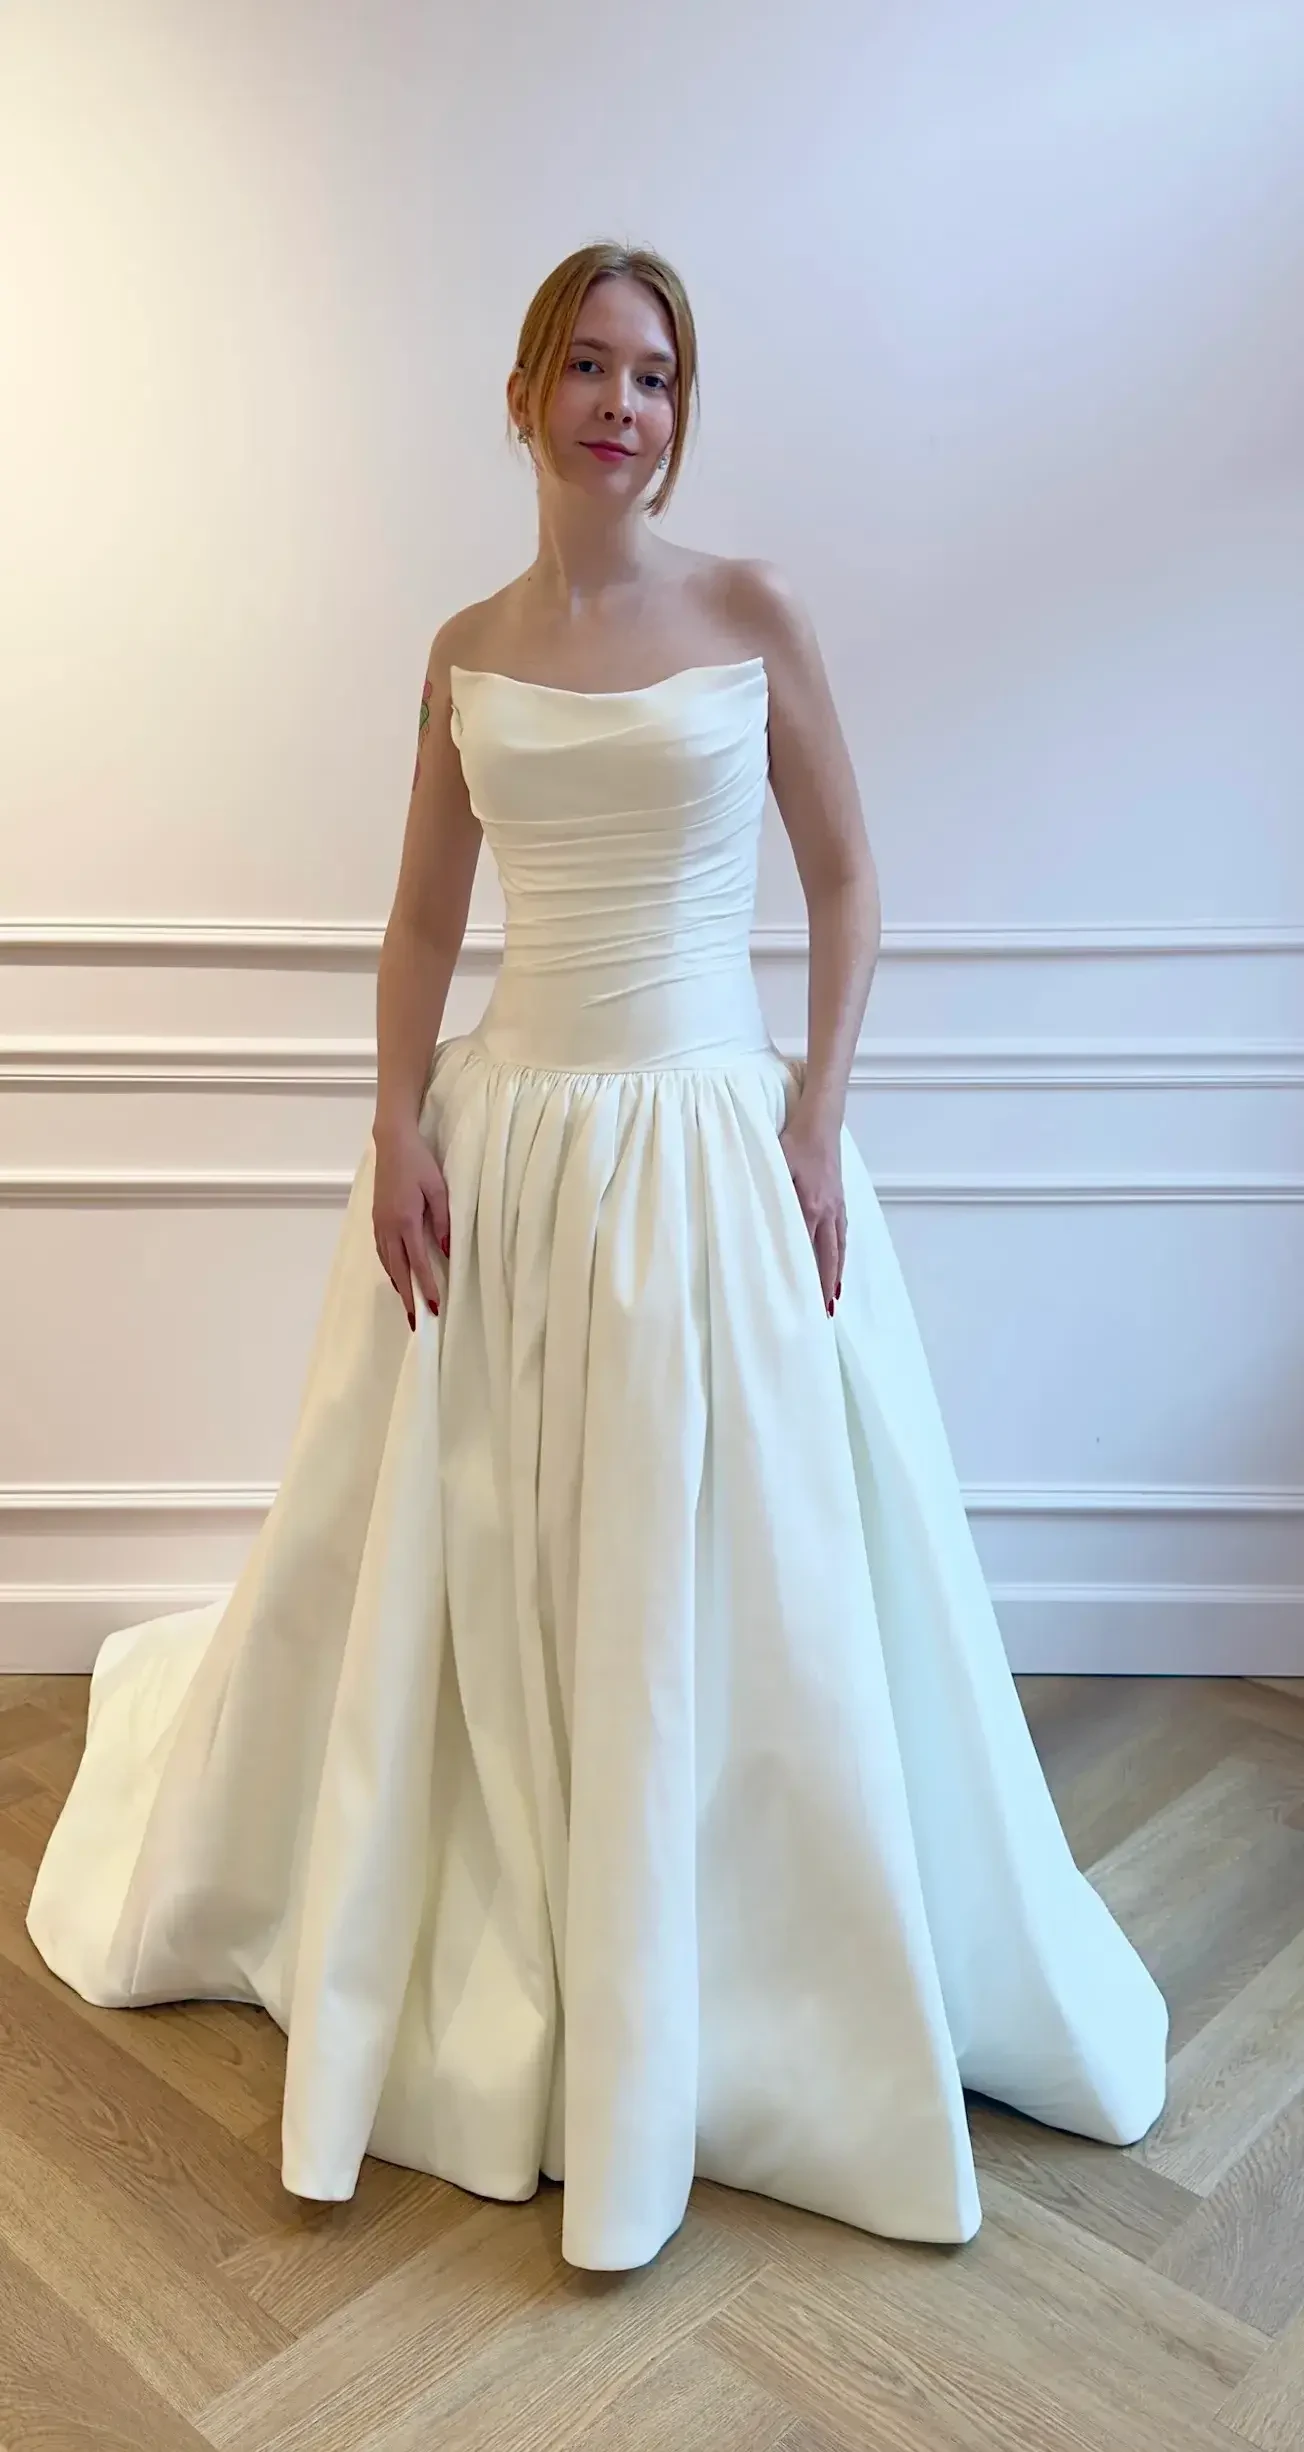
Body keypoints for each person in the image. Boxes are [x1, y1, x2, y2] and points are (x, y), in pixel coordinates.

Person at [25, 239, 1168, 2273]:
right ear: (524, 393)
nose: (620, 404)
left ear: (675, 413)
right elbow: (408, 924)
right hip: (515, 1149)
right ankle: (503, 1951)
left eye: (653, 375)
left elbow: (845, 874)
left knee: (748, 1580)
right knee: (486, 1564)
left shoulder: (752, 614)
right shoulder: (465, 643)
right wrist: (390, 1118)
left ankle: (753, 1991)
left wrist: (814, 1109)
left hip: (711, 1146)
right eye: (586, 366)